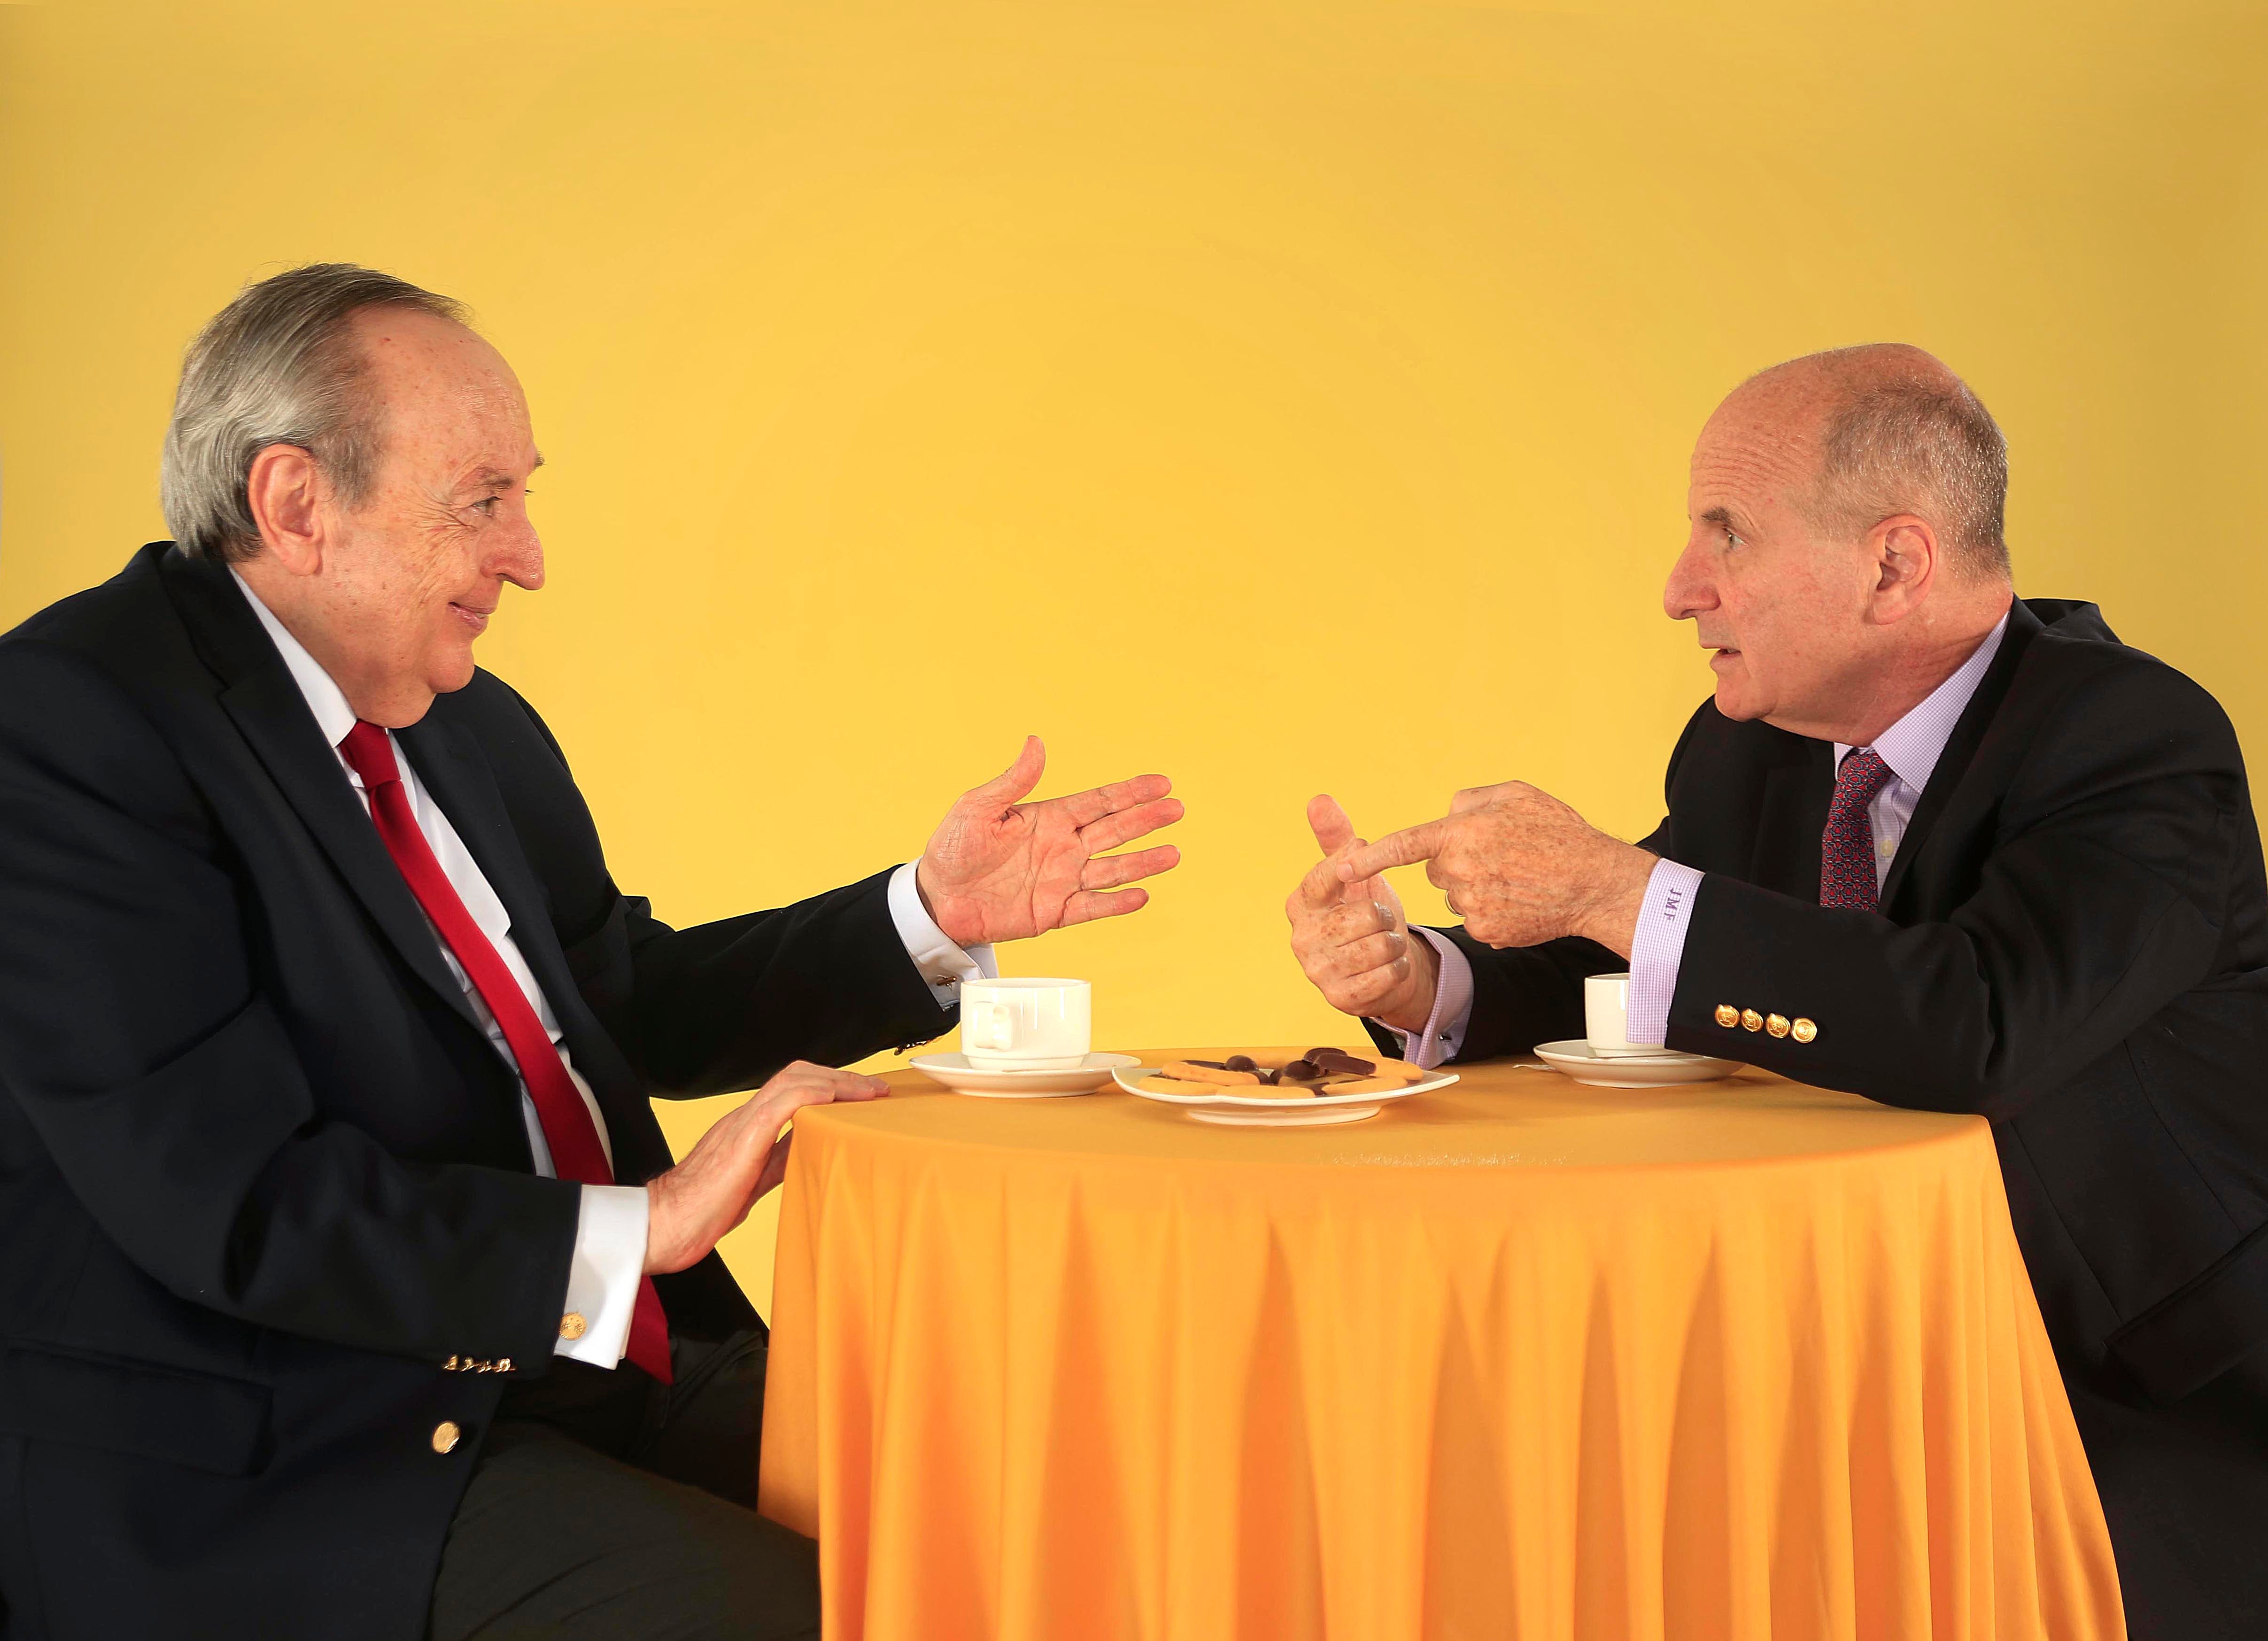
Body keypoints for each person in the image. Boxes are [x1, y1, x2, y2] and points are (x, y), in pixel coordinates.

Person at [0, 264, 1183, 1641]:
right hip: (302, 1441)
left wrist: (927, 914)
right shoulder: (72, 725)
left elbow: (626, 999)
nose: (530, 558)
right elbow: (233, 1200)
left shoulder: (462, 719)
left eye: (525, 497)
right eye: (482, 501)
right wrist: (648, 1225)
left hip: (585, 1352)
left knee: (1057, 1518)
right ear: (296, 504)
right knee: (812, 1613)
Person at [1286, 344, 2268, 1639]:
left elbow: (1983, 1025)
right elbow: (1656, 955)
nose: (1679, 589)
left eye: (1729, 535)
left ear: (1894, 566)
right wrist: (1430, 978)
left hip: (2138, 1393)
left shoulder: (2136, 738)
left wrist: (1613, 884)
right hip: (1840, 1361)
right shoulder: (1752, 742)